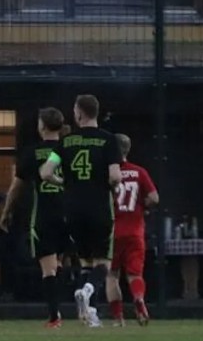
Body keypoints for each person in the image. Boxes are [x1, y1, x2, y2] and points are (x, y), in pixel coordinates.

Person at [40, 94, 122, 328]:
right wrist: (113, 187)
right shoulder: (108, 140)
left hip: (72, 208)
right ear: (95, 112)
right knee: (103, 263)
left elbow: (45, 172)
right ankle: (87, 291)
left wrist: (63, 183)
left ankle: (91, 314)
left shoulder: (64, 142)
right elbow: (115, 175)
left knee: (86, 262)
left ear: (79, 113)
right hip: (99, 206)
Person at [0, 108, 69, 328]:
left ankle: (54, 315)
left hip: (44, 213)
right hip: (70, 213)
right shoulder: (69, 149)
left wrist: (5, 212)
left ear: (41, 126)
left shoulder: (32, 152)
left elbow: (16, 187)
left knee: (48, 268)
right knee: (63, 263)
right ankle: (86, 306)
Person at [107, 133, 158, 326]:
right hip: (135, 231)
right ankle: (138, 298)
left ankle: (118, 318)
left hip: (112, 232)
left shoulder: (109, 173)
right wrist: (141, 206)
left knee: (112, 275)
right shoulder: (139, 172)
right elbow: (154, 198)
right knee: (135, 274)